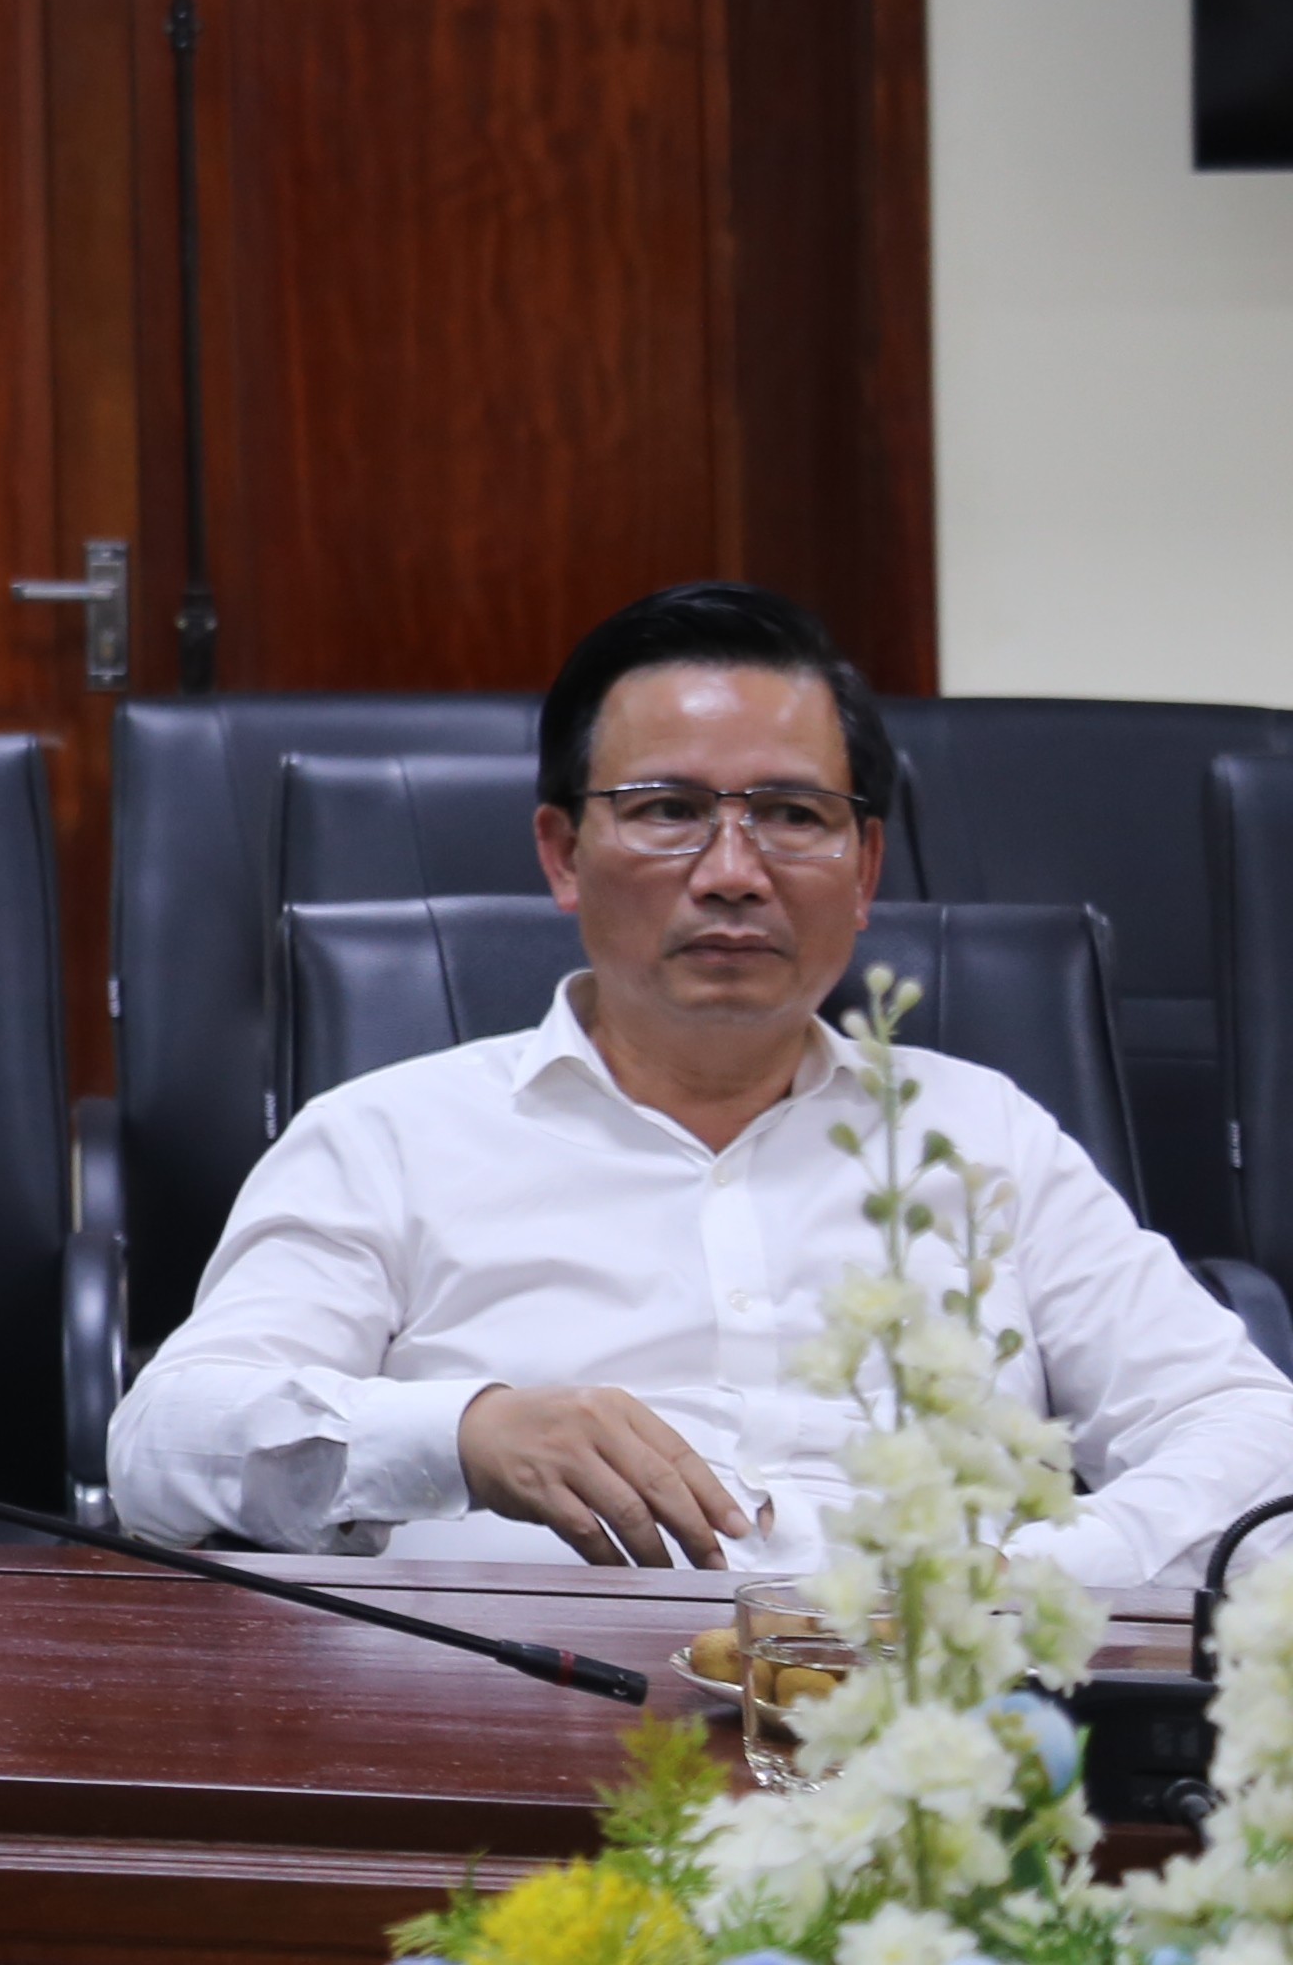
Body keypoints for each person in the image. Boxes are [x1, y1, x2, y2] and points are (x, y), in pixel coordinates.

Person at [113, 580, 1293, 1585]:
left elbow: (1253, 1434)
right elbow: (166, 1448)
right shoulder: (389, 1136)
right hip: (513, 1727)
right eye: (669, 812)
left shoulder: (977, 1134)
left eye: (791, 815)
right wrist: (464, 1435)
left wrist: (1028, 1583)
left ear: (866, 864)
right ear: (564, 854)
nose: (733, 874)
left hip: (939, 1734)